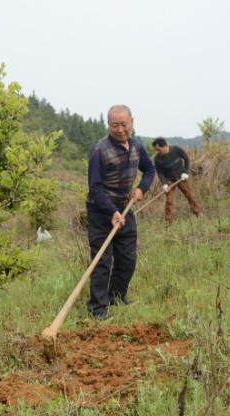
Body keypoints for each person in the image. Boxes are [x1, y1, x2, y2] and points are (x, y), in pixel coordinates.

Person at [86, 105, 156, 320]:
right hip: (102, 212)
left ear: (132, 122)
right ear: (108, 125)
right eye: (114, 125)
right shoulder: (100, 151)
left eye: (123, 124)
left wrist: (141, 188)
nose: (120, 129)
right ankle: (97, 308)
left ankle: (116, 296)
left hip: (125, 209)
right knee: (102, 261)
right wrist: (112, 212)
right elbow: (95, 188)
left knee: (127, 259)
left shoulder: (136, 146)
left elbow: (150, 169)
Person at [152, 137, 203, 224]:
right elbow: (160, 172)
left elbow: (186, 159)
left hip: (181, 177)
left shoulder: (176, 150)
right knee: (169, 201)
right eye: (156, 150)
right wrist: (164, 184)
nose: (158, 152)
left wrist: (185, 172)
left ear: (164, 146)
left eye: (159, 149)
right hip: (169, 181)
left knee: (191, 196)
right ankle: (168, 223)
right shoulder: (157, 159)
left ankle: (199, 214)